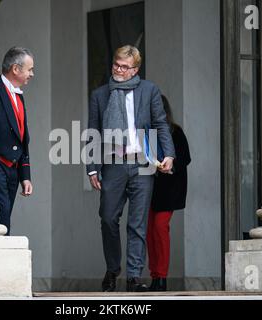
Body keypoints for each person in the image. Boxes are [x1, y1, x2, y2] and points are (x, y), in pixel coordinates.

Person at [86, 45, 176, 292]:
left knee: (137, 223)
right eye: (116, 64)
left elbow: (160, 123)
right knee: (107, 218)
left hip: (142, 163)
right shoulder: (100, 94)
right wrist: (92, 168)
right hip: (113, 163)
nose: (118, 69)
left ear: (135, 69)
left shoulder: (149, 90)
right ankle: (113, 269)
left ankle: (134, 276)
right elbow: (92, 131)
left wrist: (168, 153)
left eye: (125, 67)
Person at [147, 95, 191, 291]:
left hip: (170, 189)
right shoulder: (146, 134)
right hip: (150, 190)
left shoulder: (175, 132)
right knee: (149, 234)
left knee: (159, 229)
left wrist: (169, 166)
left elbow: (185, 158)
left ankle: (162, 277)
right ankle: (155, 277)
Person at [0, 47, 34, 235]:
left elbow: (23, 137)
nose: (31, 74)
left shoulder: (18, 95)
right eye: (29, 69)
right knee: (1, 224)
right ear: (16, 69)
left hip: (13, 171)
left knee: (6, 219)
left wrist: (25, 174)